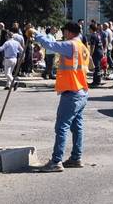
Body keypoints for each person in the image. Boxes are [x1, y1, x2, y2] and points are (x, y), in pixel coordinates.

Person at [36, 22, 91, 172]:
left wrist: (34, 33)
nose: (63, 35)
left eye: (64, 32)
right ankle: (76, 158)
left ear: (68, 32)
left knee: (62, 127)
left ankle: (56, 161)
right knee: (77, 127)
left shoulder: (70, 45)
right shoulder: (83, 47)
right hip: (82, 91)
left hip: (72, 92)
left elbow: (50, 44)